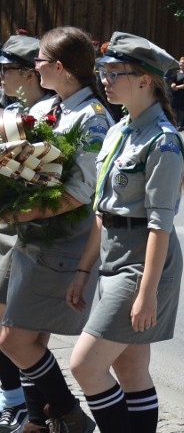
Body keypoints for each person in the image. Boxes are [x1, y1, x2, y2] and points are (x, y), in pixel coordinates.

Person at [65, 32, 184, 433]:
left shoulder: (163, 141)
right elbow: (103, 211)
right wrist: (84, 270)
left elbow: (159, 224)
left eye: (116, 72)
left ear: (145, 80)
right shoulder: (119, 130)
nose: (106, 80)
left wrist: (148, 292)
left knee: (84, 364)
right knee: (130, 367)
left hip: (142, 263)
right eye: (104, 71)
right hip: (114, 257)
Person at [0, 26, 114, 432]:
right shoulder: (56, 108)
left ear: (61, 68)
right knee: (32, 342)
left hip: (62, 241)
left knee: (13, 341)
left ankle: (69, 414)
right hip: (35, 239)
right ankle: (36, 420)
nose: (35, 67)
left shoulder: (93, 118)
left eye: (41, 61)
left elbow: (82, 192)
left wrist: (19, 213)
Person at [0, 33, 54, 431]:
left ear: (28, 73)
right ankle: (35, 412)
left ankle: (26, 405)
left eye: (7, 70)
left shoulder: (50, 117)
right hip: (8, 229)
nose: (1, 77)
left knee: (17, 330)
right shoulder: (10, 109)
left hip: (33, 234)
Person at [169, 57, 184, 127]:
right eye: (180, 62)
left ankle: (182, 125)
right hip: (175, 93)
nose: (181, 64)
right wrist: (173, 84)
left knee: (182, 110)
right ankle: (174, 124)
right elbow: (172, 80)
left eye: (183, 63)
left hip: (183, 94)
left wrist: (176, 87)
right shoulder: (177, 72)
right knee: (173, 109)